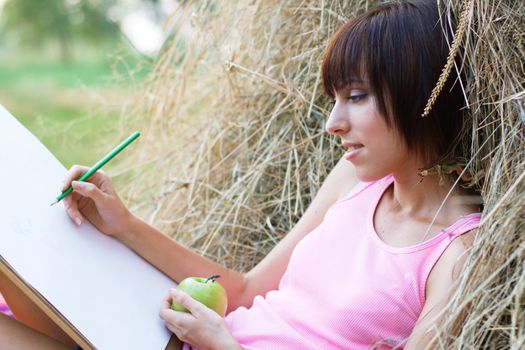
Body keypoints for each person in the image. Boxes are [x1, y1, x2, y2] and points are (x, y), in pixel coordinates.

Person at [0, 0, 482, 349]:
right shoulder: (356, 180)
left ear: (423, 94)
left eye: (356, 97)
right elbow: (248, 290)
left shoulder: (456, 252)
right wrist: (121, 222)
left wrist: (223, 346)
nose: (333, 123)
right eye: (334, 99)